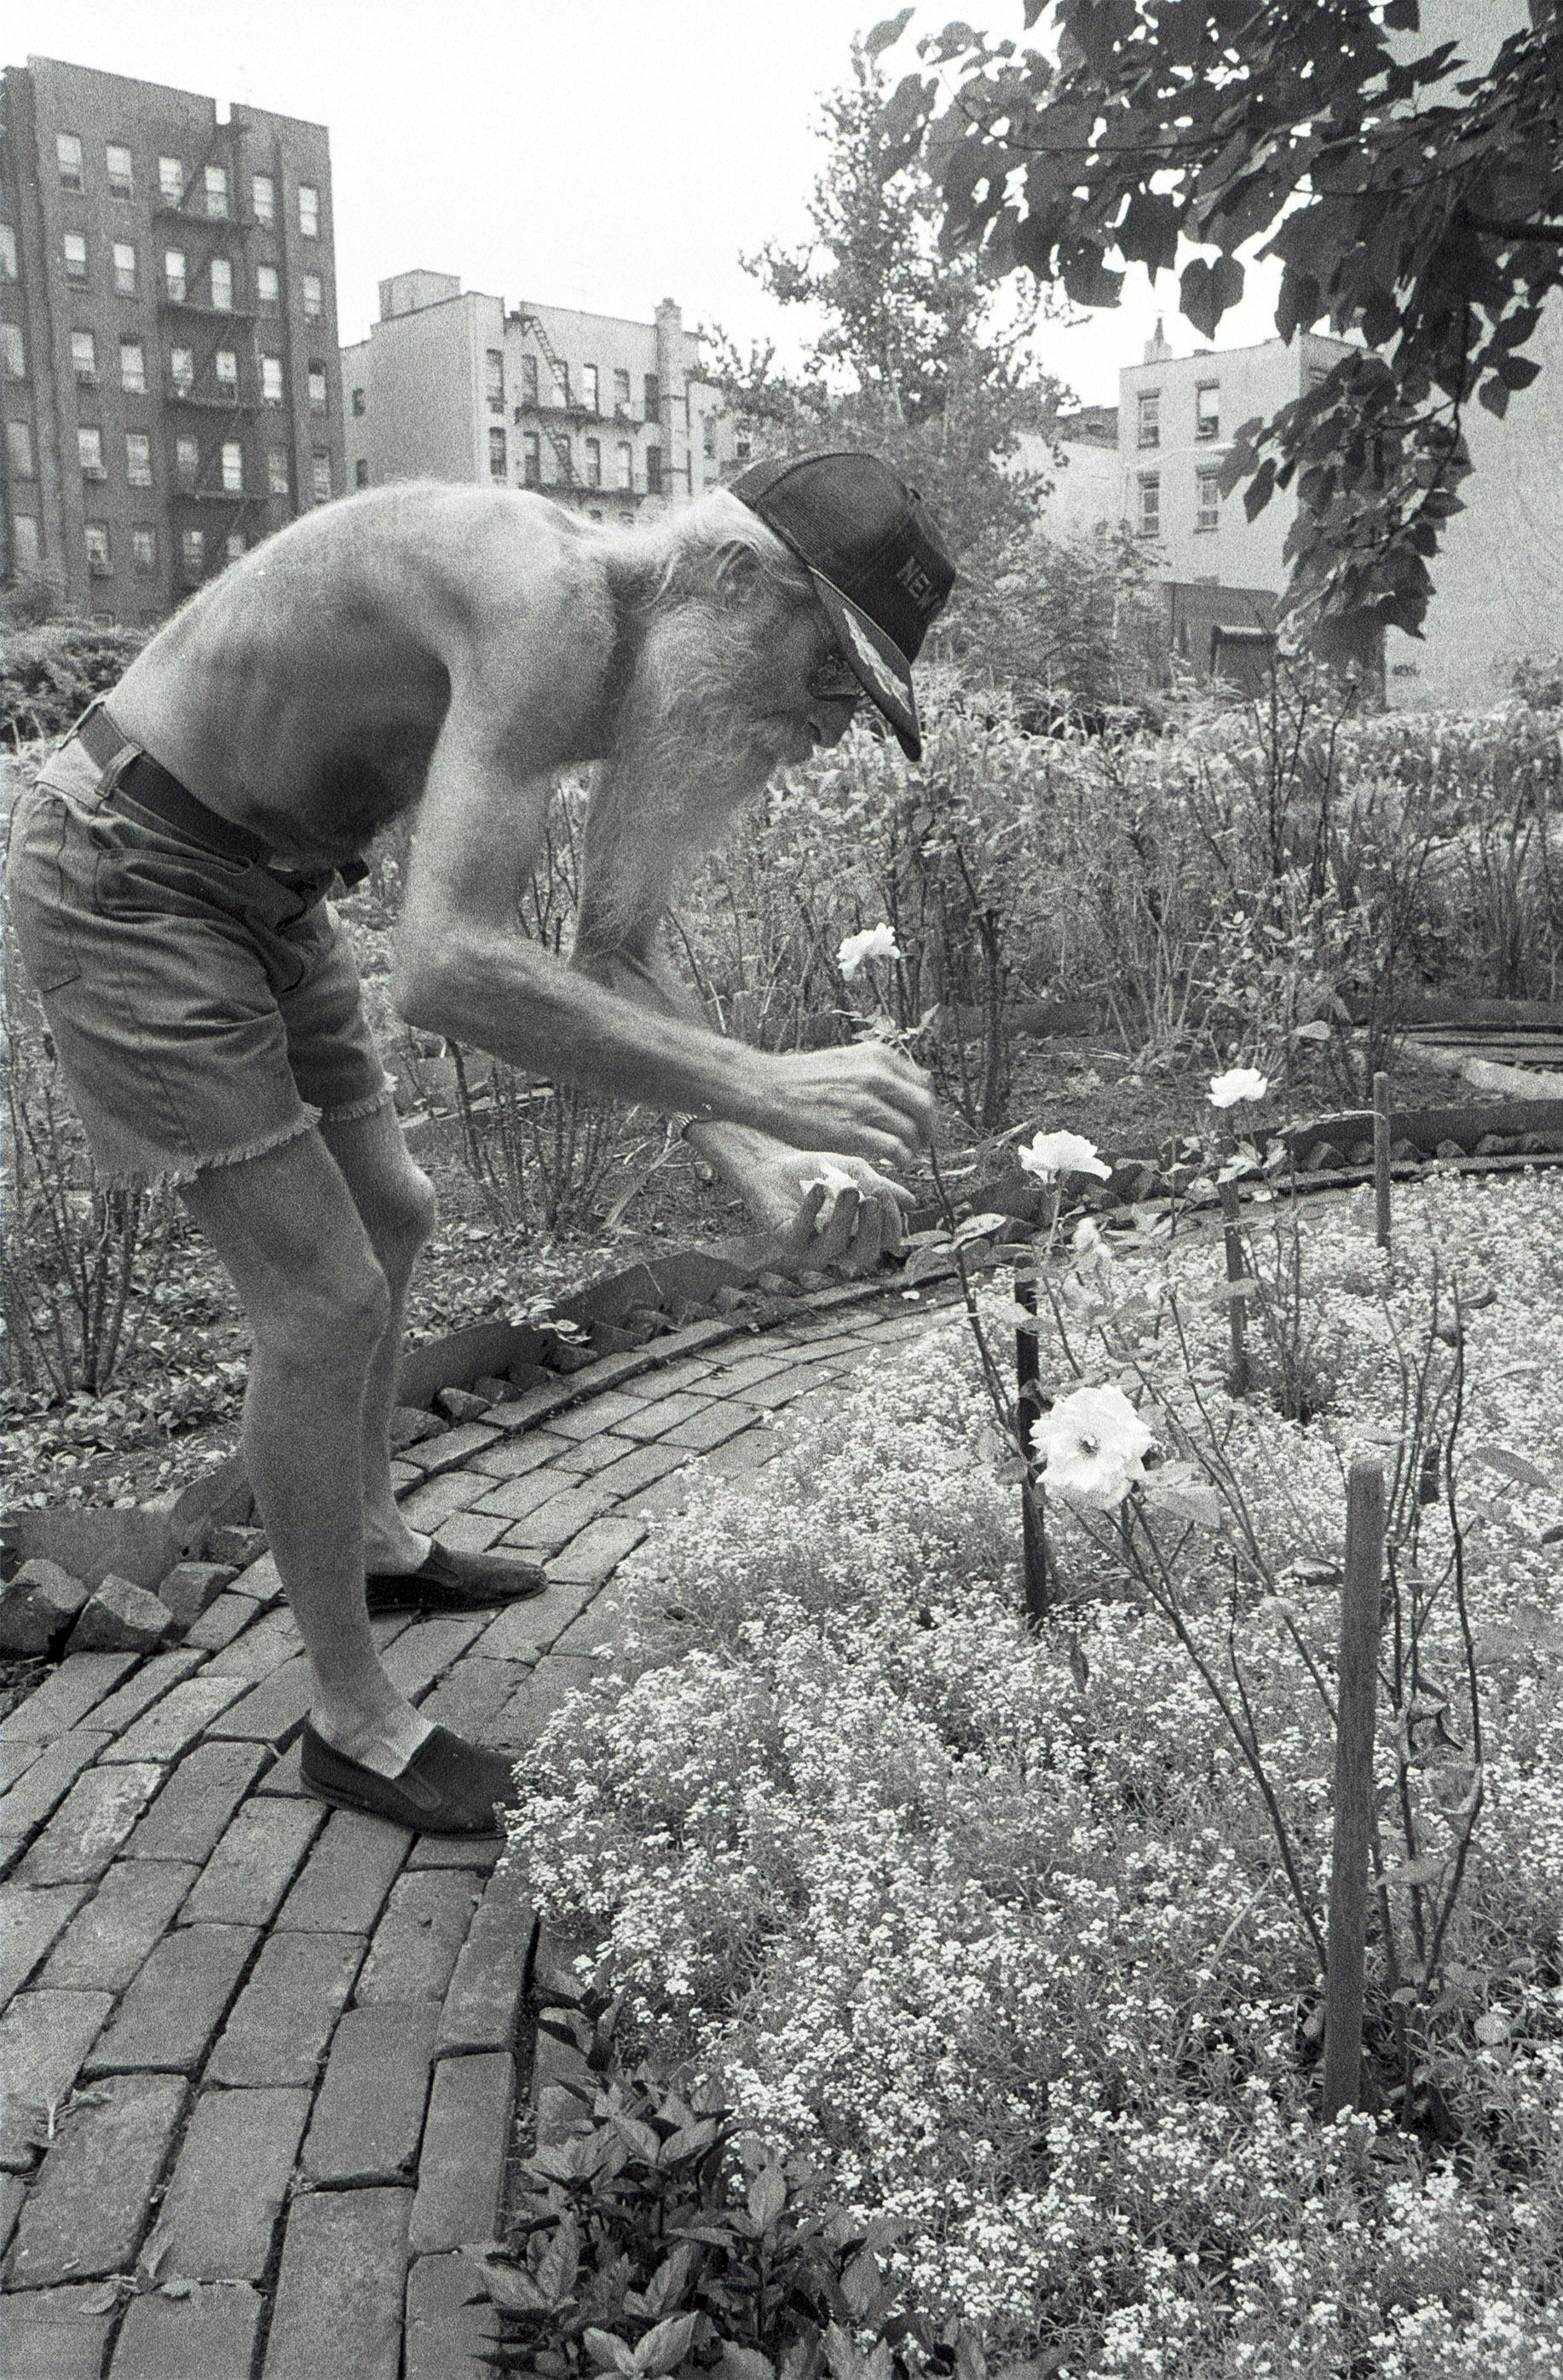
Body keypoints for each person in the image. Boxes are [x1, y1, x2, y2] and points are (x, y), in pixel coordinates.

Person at [9, 451, 956, 1832]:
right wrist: (763, 1083)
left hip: (268, 887)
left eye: (855, 705)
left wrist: (765, 1153)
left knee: (395, 1212)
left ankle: (373, 1539)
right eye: (829, 673)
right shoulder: (545, 602)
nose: (825, 730)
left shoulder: (649, 672)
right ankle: (352, 1721)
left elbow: (614, 953)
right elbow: (447, 967)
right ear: (734, 578)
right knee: (322, 1302)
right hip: (129, 873)